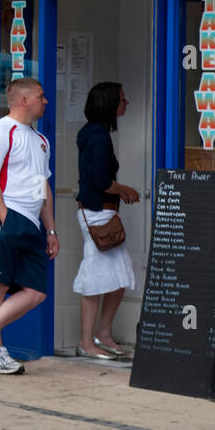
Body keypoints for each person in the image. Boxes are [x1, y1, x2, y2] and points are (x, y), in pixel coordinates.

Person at [0, 77, 58, 375]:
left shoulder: (41, 140)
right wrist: (7, 220)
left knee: (36, 291)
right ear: (24, 100)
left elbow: (44, 188)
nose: (46, 101)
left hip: (30, 222)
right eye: (41, 96)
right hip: (1, 217)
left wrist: (52, 230)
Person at [75, 82, 139, 359]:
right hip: (98, 212)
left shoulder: (93, 133)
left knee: (119, 276)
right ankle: (86, 342)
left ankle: (102, 334)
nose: (126, 104)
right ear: (110, 104)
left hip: (101, 211)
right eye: (123, 99)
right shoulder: (99, 137)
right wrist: (125, 190)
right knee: (96, 277)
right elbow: (101, 180)